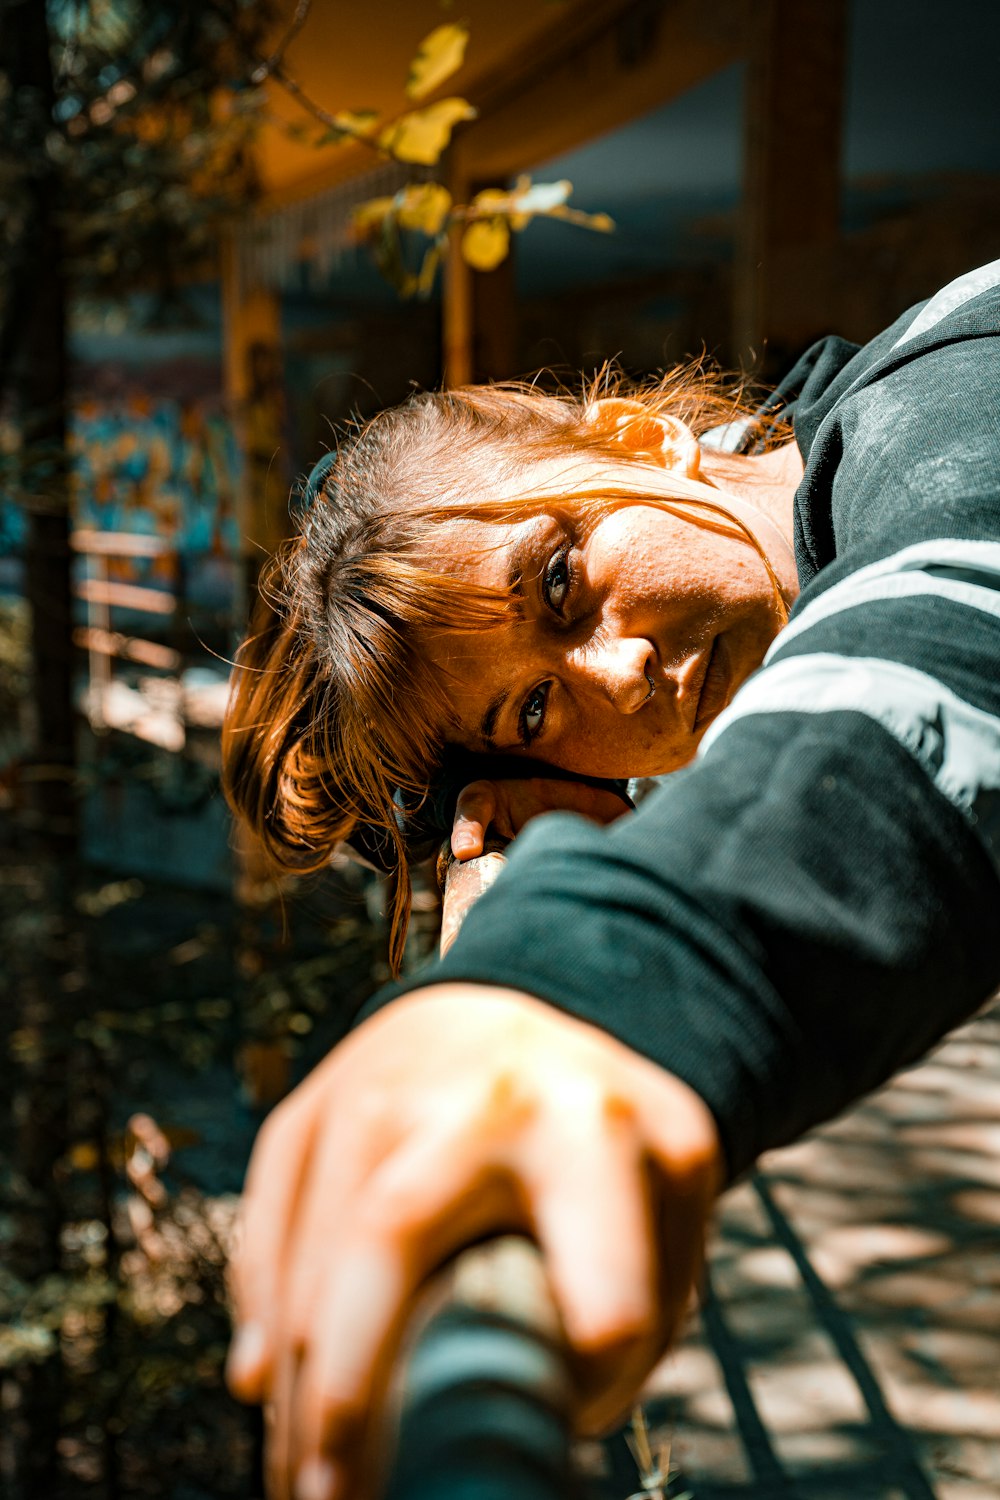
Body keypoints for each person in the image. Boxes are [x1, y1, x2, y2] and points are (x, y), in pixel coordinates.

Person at [222, 261, 1000, 1500]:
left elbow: (954, 615)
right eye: (536, 708)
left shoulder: (960, 384)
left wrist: (602, 977)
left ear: (641, 439)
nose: (620, 673)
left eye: (557, 582)